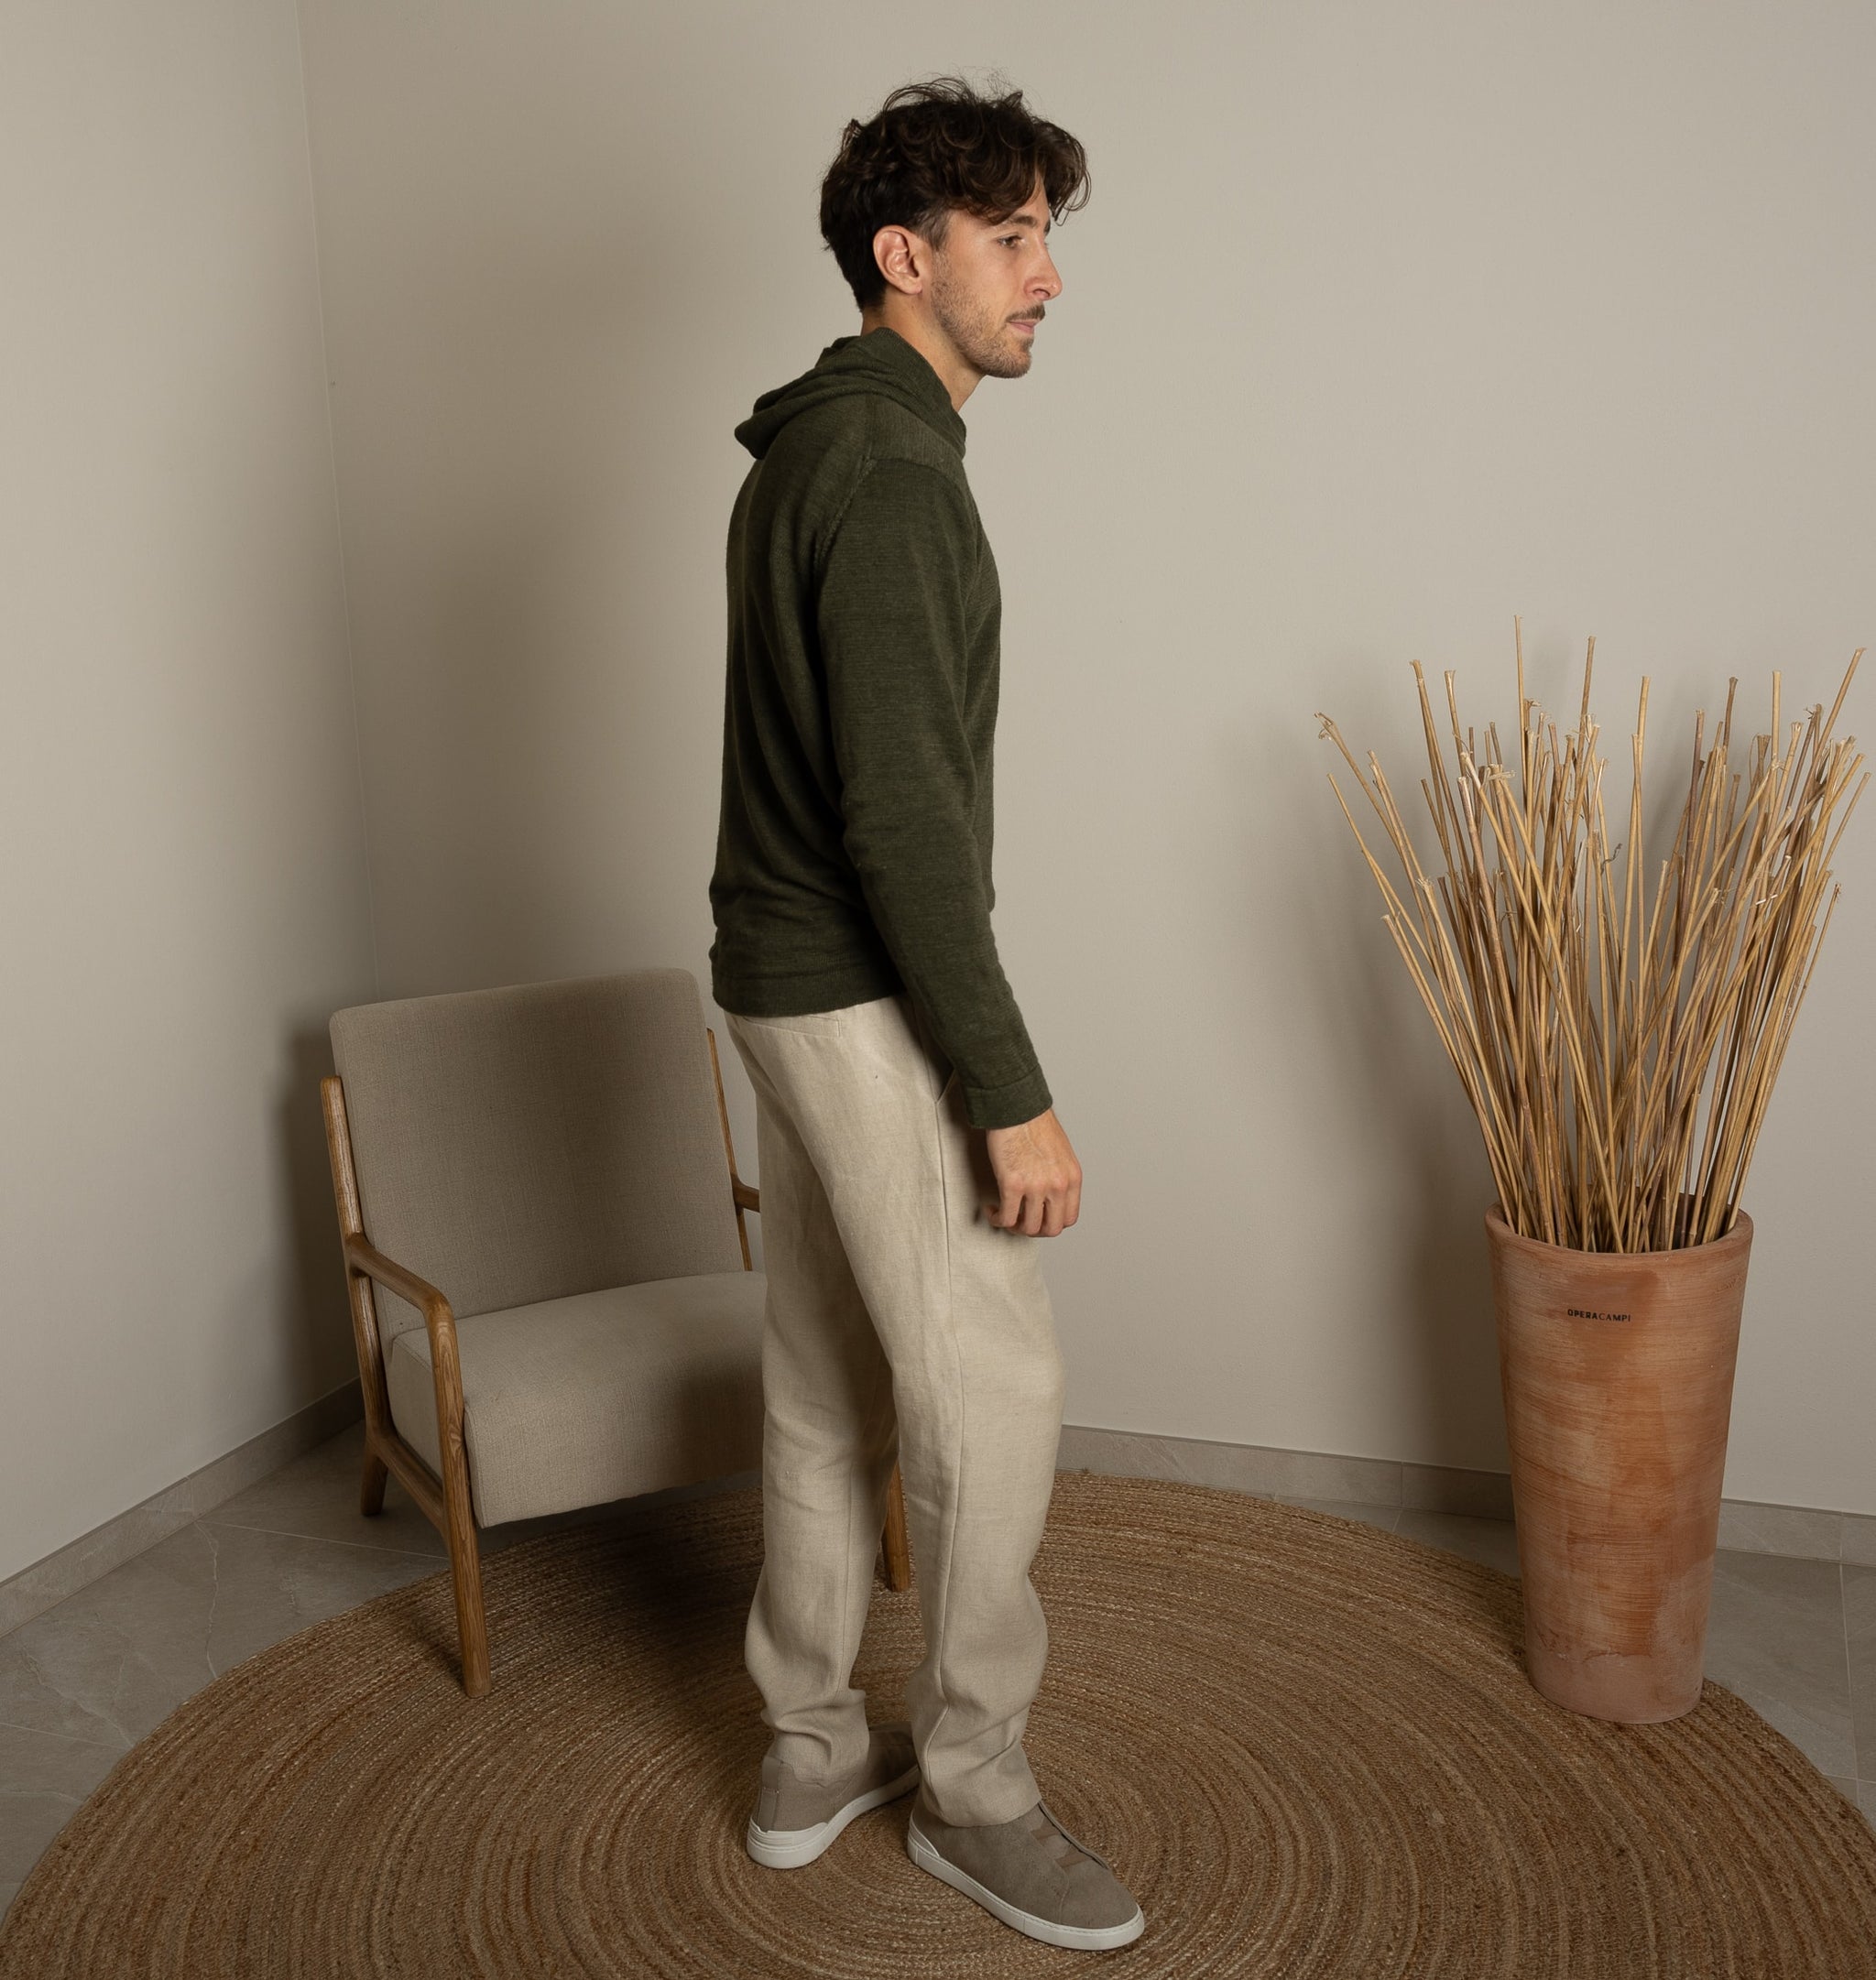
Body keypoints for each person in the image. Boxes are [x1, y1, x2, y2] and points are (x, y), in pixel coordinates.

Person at [708, 74, 1145, 1953]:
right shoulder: (887, 474)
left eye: (1049, 234)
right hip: (855, 987)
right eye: (1013, 235)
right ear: (909, 255)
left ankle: (808, 1750)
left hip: (777, 977)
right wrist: (1007, 1088)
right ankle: (974, 1790)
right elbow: (898, 819)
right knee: (990, 1384)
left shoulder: (820, 448)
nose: (1048, 273)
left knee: (824, 1377)